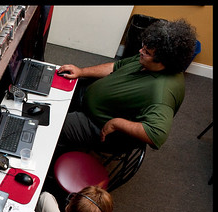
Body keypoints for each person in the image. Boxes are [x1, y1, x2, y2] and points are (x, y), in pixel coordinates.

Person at [56, 18, 197, 153]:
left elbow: (157, 134)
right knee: (56, 88)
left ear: (163, 62)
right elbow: (116, 66)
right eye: (144, 47)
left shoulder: (161, 94)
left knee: (51, 128)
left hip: (97, 125)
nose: (141, 51)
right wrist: (81, 72)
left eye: (146, 52)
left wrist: (116, 123)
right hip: (92, 99)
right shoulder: (148, 59)